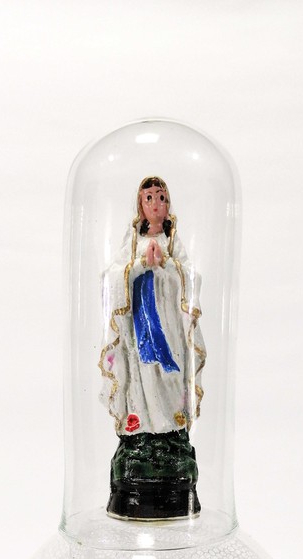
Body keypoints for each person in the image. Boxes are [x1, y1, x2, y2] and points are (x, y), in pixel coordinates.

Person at [99, 176, 206, 520]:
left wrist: (167, 265)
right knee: (143, 377)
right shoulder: (133, 241)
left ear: (168, 204)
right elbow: (112, 277)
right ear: (140, 205)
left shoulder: (172, 242)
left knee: (169, 374)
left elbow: (191, 277)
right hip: (140, 326)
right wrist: (141, 265)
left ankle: (170, 432)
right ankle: (143, 431)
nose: (156, 203)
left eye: (161, 197)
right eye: (149, 198)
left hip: (168, 326)